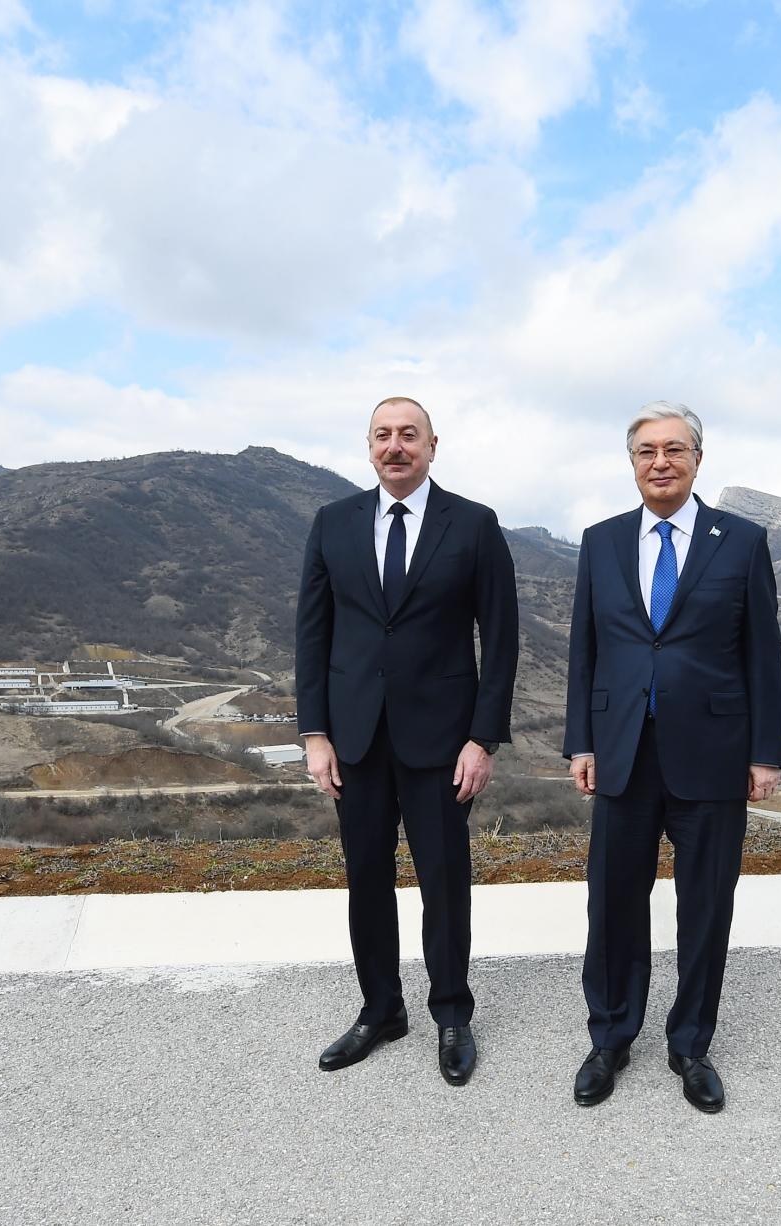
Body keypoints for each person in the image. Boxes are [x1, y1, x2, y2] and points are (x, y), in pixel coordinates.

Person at [562, 401, 781, 1113]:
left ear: (697, 459)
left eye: (674, 449)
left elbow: (763, 654)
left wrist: (765, 752)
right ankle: (610, 1038)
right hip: (622, 752)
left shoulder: (741, 541)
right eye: (647, 451)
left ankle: (690, 1045)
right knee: (613, 904)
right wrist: (581, 741)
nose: (660, 462)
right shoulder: (600, 542)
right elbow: (585, 651)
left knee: (706, 906)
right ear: (632, 462)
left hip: (713, 754)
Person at [296, 396, 518, 1085]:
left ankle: (452, 1014)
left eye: (409, 435)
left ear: (432, 445)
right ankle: (381, 1009)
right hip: (355, 740)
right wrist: (315, 734)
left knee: (444, 882)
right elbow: (312, 635)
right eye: (383, 435)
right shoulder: (333, 523)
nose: (396, 446)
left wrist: (483, 739)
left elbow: (502, 639)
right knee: (366, 878)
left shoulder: (474, 525)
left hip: (443, 743)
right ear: (369, 446)